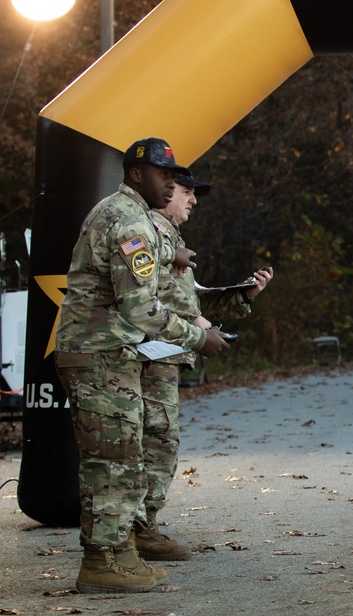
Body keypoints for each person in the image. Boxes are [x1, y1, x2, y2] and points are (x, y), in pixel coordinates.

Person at [54, 138, 231, 594]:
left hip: (111, 354)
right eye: (162, 175)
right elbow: (140, 308)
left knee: (125, 457)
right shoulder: (129, 221)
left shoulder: (129, 217)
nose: (171, 184)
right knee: (111, 460)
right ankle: (99, 561)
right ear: (136, 174)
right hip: (98, 354)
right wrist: (198, 337)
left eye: (173, 176)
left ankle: (121, 552)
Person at [138, 172, 273, 562]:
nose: (193, 200)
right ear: (165, 192)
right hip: (151, 354)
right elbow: (163, 303)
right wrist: (202, 329)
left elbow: (194, 304)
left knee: (158, 443)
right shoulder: (153, 235)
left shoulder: (171, 240)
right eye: (186, 192)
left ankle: (141, 527)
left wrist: (243, 294)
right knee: (154, 445)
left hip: (165, 356)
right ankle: (139, 531)